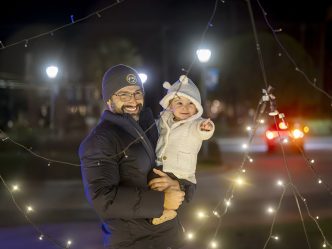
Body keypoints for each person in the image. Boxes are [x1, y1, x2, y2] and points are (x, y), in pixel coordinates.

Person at [79, 64, 188, 249]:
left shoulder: (150, 128)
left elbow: (172, 164)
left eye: (138, 93)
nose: (133, 100)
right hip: (134, 242)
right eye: (124, 94)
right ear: (108, 100)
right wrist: (161, 202)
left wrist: (179, 186)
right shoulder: (100, 140)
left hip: (168, 237)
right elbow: (103, 199)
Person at [150, 75, 215, 225]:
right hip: (162, 168)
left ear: (197, 107)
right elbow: (154, 129)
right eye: (179, 102)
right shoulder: (164, 121)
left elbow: (202, 131)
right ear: (170, 105)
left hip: (182, 175)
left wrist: (206, 128)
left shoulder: (194, 124)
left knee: (171, 194)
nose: (185, 107)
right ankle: (162, 211)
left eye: (190, 103)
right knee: (155, 188)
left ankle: (168, 213)